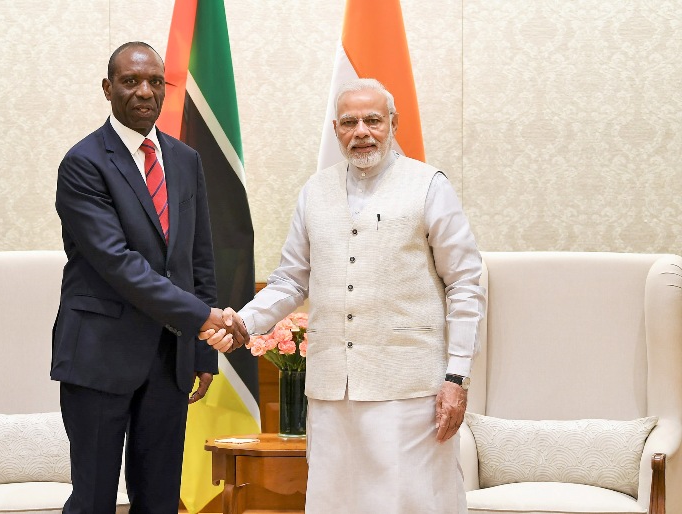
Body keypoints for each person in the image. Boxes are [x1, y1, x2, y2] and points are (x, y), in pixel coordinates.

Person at [203, 78, 485, 513]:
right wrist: (245, 322)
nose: (362, 132)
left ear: (393, 123)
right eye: (350, 122)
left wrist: (456, 378)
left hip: (408, 389)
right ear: (336, 129)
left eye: (373, 120)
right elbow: (291, 281)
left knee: (411, 502)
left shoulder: (429, 185)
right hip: (332, 391)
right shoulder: (314, 191)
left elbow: (465, 282)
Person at [52, 41, 247, 514]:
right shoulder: (83, 164)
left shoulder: (184, 160)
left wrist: (203, 351)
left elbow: (199, 260)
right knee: (95, 498)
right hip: (100, 356)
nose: (144, 92)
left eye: (155, 82)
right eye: (130, 81)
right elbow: (120, 265)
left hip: (169, 359)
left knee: (160, 498)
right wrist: (206, 318)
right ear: (107, 89)